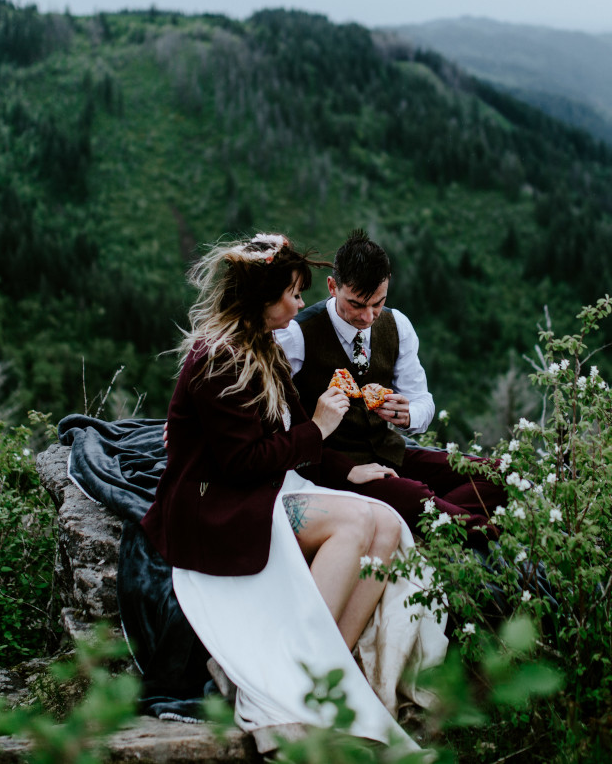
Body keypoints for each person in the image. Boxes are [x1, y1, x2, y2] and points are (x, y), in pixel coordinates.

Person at [140, 233, 445, 752]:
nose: (301, 305)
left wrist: (349, 471)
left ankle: (328, 666)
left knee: (387, 523)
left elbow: (293, 431)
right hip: (219, 503)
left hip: (271, 486)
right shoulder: (218, 360)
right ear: (263, 299)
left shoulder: (263, 349)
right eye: (294, 293)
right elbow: (244, 462)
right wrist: (320, 429)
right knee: (354, 525)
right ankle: (296, 667)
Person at [276, 230, 506, 545]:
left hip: (390, 452)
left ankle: (425, 515)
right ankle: (490, 537)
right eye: (356, 304)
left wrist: (408, 414)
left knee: (498, 474)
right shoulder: (296, 336)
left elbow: (424, 401)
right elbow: (283, 429)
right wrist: (342, 469)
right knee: (416, 496)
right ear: (333, 287)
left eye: (378, 303)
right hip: (337, 469)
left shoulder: (398, 325)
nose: (368, 316)